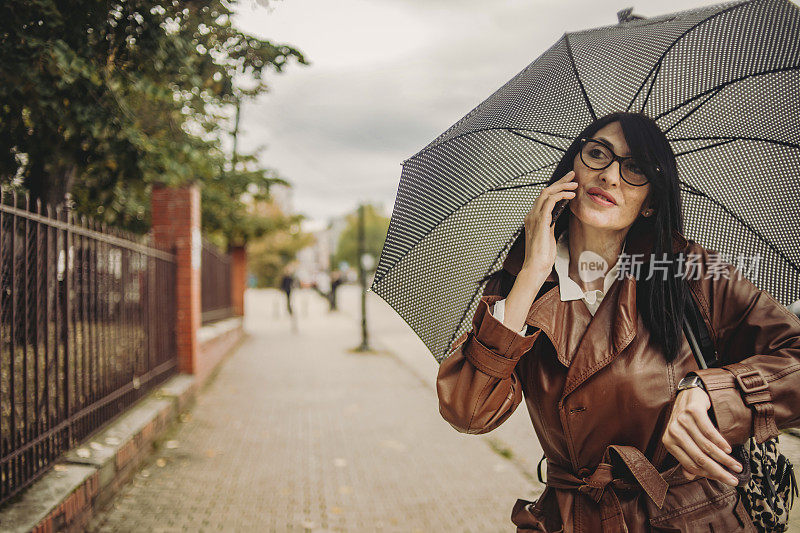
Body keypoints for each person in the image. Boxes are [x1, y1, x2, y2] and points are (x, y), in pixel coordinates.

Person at [435, 111, 800, 532]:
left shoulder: (687, 271)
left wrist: (712, 393)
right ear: (571, 171)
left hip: (691, 519)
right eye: (597, 154)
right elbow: (467, 412)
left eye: (635, 168)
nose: (610, 175)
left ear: (651, 204)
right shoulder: (519, 286)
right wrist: (533, 271)